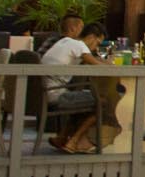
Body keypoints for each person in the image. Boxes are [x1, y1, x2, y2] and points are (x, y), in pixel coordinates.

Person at [44, 21, 111, 153]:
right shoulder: (79, 46)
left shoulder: (66, 41)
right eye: (97, 43)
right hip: (56, 94)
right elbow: (96, 64)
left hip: (45, 92)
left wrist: (107, 63)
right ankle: (74, 141)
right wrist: (114, 67)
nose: (95, 48)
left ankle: (62, 137)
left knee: (84, 101)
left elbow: (95, 60)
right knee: (103, 102)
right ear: (91, 37)